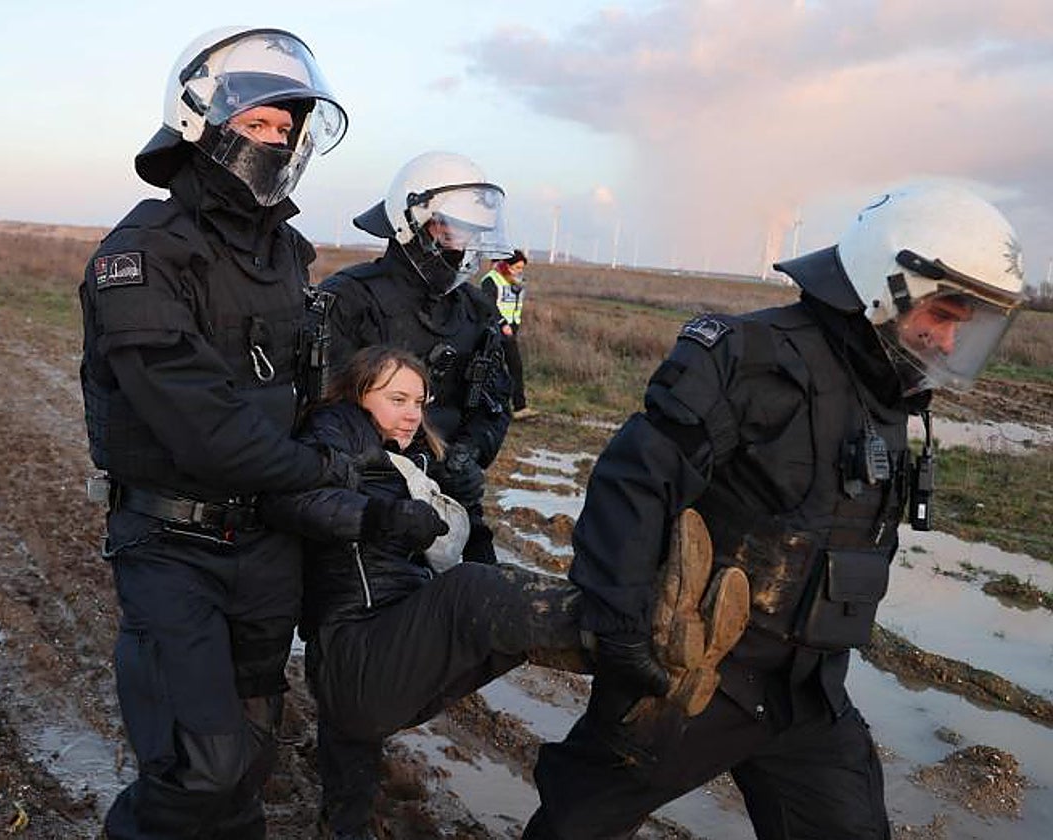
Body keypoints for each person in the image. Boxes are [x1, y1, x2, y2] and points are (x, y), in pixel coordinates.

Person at [520, 183, 1027, 840]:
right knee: (576, 823)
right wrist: (618, 626)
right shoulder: (750, 355)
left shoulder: (889, 394)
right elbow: (633, 483)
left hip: (810, 696)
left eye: (965, 325)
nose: (951, 343)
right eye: (944, 317)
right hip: (698, 678)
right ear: (887, 285)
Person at [264, 346, 749, 839]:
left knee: (500, 622)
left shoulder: (415, 464)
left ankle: (665, 670)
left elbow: (474, 567)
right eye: (397, 399)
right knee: (471, 594)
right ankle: (652, 625)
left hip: (381, 674)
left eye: (420, 400)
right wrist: (379, 517)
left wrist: (469, 514)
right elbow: (294, 499)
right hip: (358, 659)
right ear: (357, 393)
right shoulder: (337, 428)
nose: (413, 413)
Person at [77, 27, 364, 839]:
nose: (275, 142)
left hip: (268, 548)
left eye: (287, 129)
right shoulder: (141, 254)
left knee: (250, 765)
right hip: (173, 548)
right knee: (195, 773)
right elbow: (203, 424)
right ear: (199, 121)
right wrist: (327, 473)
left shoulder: (288, 256)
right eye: (258, 124)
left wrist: (351, 434)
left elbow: (320, 386)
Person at [320, 151, 514, 565]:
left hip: (451, 500)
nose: (464, 248)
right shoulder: (350, 297)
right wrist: (400, 466)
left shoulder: (476, 311)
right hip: (369, 503)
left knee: (480, 608)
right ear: (414, 225)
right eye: (454, 232)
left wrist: (467, 455)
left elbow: (495, 405)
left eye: (474, 235)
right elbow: (323, 408)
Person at [480, 249, 536, 419]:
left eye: (522, 268)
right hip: (495, 330)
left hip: (511, 331)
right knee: (493, 370)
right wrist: (503, 323)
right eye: (517, 267)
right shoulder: (491, 280)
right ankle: (490, 406)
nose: (520, 271)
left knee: (515, 367)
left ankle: (520, 407)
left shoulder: (516, 282)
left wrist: (514, 324)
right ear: (507, 265)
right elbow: (489, 306)